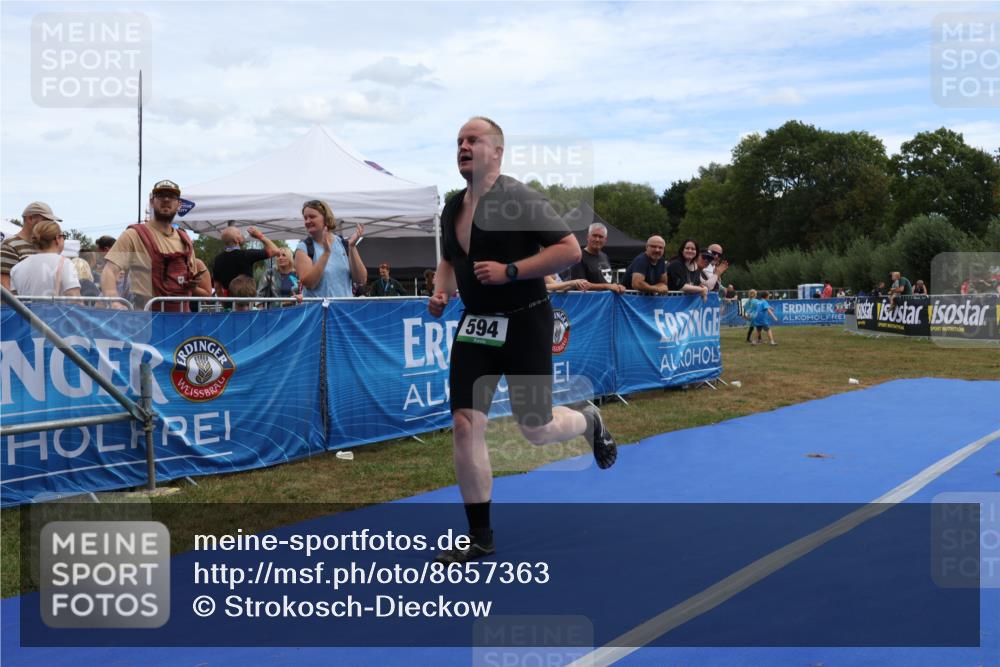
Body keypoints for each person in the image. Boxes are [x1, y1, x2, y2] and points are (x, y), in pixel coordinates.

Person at [427, 116, 617, 564]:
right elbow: (450, 262)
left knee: (535, 428)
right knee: (464, 424)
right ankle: (480, 536)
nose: (463, 146)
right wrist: (440, 292)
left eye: (473, 140)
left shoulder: (519, 197)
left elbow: (569, 250)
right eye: (459, 141)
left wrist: (510, 271)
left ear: (497, 151)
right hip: (477, 327)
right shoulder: (452, 209)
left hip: (526, 320)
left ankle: (588, 420)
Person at [100, 179, 201, 312]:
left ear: (178, 204)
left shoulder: (185, 240)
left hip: (180, 317)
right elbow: (109, 271)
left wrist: (191, 284)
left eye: (171, 196)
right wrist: (114, 301)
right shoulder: (133, 235)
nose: (166, 199)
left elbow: (191, 278)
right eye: (161, 195)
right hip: (146, 318)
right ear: (152, 202)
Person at [294, 199, 366, 298]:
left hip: (343, 307)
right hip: (317, 308)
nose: (307, 221)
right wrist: (326, 253)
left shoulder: (344, 244)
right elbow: (310, 284)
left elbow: (361, 280)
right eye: (305, 218)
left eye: (312, 217)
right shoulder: (303, 248)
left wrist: (352, 247)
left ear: (326, 218)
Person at [9, 220, 81, 298]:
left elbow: (13, 300)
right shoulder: (65, 263)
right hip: (56, 306)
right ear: (57, 239)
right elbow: (74, 297)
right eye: (63, 236)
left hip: (24, 306)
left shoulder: (17, 268)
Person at [2, 202, 60, 290]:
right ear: (30, 218)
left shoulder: (44, 245)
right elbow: (5, 286)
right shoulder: (10, 246)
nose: (49, 225)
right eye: (46, 220)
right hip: (19, 299)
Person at [213, 226, 280, 297]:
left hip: (230, 301)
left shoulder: (217, 259)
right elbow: (275, 251)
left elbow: (217, 287)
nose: (242, 235)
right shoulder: (247, 255)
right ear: (236, 240)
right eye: (239, 233)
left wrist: (224, 302)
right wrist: (260, 236)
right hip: (247, 299)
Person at [566, 223, 626, 294]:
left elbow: (611, 281)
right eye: (594, 235)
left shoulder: (604, 256)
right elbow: (581, 285)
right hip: (589, 300)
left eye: (601, 237)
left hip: (606, 300)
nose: (597, 239)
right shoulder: (579, 257)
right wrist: (607, 286)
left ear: (605, 240)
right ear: (588, 237)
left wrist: (618, 286)